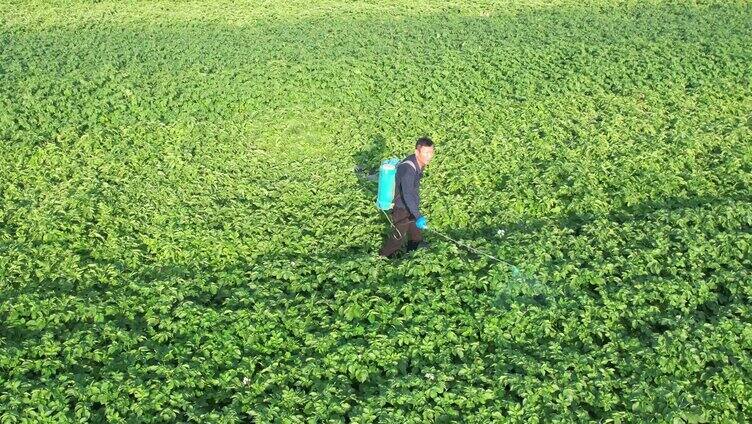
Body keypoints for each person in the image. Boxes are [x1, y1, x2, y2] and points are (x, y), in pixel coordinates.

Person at [379, 137, 435, 258]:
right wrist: (418, 215)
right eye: (426, 152)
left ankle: (411, 255)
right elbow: (407, 195)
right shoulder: (408, 169)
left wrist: (415, 212)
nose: (429, 156)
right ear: (417, 152)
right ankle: (382, 258)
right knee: (397, 238)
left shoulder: (419, 162)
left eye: (431, 152)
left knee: (416, 235)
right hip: (401, 208)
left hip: (410, 206)